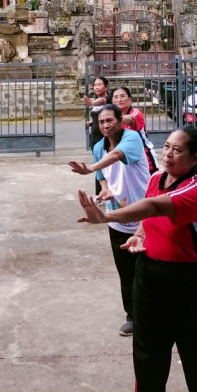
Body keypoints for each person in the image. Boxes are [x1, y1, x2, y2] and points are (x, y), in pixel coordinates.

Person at [76, 126, 197, 392]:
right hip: (149, 278)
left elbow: (156, 206)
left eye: (177, 150)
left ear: (195, 157)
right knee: (147, 359)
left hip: (189, 283)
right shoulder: (157, 177)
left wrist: (106, 217)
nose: (168, 154)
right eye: (166, 146)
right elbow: (150, 215)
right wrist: (140, 233)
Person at [68, 104, 155, 337]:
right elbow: (102, 176)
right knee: (126, 273)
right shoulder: (99, 147)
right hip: (117, 219)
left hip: (144, 217)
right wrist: (105, 188)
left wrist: (90, 168)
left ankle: (155, 315)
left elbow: (116, 156)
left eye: (110, 120)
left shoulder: (132, 138)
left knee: (150, 271)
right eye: (101, 122)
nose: (105, 125)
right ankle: (133, 317)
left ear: (120, 120)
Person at [112, 86, 158, 172]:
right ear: (112, 101)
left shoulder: (136, 113)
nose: (119, 100)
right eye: (116, 97)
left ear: (130, 99)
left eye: (122, 96)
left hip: (144, 158)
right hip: (124, 159)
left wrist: (111, 119)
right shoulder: (111, 119)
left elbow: (131, 119)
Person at [82, 76, 110, 149]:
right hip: (95, 137)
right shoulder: (96, 100)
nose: (97, 87)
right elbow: (96, 114)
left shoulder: (108, 99)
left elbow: (102, 101)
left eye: (99, 85)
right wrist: (92, 121)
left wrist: (91, 103)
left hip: (105, 137)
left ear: (106, 87)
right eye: (95, 85)